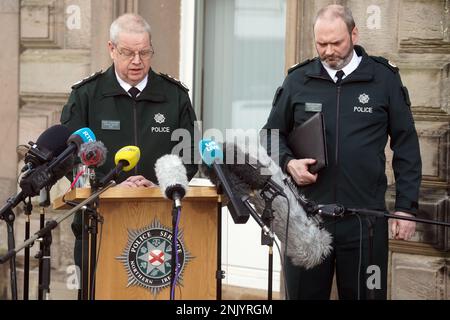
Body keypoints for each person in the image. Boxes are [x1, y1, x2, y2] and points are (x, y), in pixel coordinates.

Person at [262, 5, 421, 300]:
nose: (329, 51)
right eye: (321, 44)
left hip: (365, 224)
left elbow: (406, 144)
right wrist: (288, 163)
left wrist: (406, 207)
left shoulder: (383, 79)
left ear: (354, 34)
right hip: (306, 220)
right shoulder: (298, 79)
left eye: (337, 43)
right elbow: (270, 135)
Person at [60, 13, 198, 278]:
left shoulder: (175, 96)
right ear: (111, 50)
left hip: (160, 223)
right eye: (128, 52)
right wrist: (109, 187)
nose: (137, 61)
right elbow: (70, 158)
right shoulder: (87, 95)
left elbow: (189, 156)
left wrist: (160, 187)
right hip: (99, 222)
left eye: (144, 52)